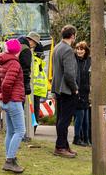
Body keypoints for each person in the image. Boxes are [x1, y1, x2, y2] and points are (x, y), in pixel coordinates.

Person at [0, 39, 26, 173]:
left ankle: (10, 158)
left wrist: (0, 96)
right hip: (14, 101)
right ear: (18, 51)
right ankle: (9, 161)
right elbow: (6, 84)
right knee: (20, 131)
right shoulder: (14, 64)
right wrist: (4, 98)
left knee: (11, 132)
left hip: (8, 101)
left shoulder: (3, 63)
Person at [51, 25, 78, 158]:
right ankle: (60, 147)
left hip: (57, 88)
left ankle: (64, 145)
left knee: (60, 118)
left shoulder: (57, 47)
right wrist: (75, 88)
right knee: (65, 120)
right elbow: (69, 73)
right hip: (67, 89)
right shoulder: (67, 50)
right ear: (72, 35)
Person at [73, 41, 91, 146]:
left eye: (81, 49)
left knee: (86, 117)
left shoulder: (89, 60)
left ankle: (86, 139)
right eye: (78, 49)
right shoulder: (74, 60)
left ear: (85, 50)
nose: (79, 51)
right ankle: (77, 138)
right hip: (77, 90)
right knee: (80, 115)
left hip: (86, 91)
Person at [18, 32, 41, 97]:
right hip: (19, 83)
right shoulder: (26, 50)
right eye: (35, 44)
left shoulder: (18, 45)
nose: (34, 46)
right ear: (31, 40)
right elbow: (25, 69)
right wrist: (26, 86)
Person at [32, 42, 47, 134]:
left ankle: (32, 129)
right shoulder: (38, 61)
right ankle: (33, 128)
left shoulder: (36, 61)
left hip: (34, 91)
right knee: (35, 111)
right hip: (36, 91)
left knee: (34, 111)